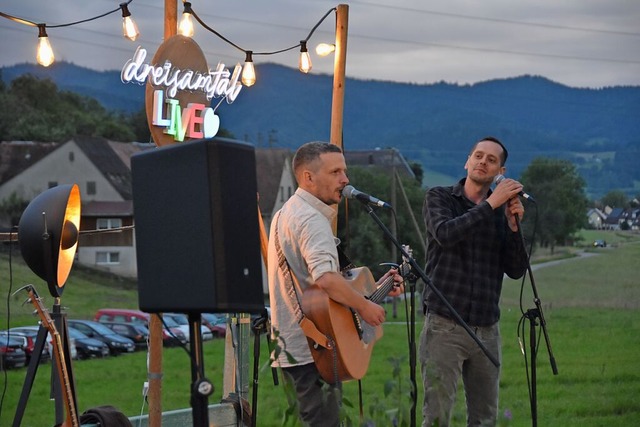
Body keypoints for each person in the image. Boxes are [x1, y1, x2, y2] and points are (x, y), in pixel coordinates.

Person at [267, 141, 404, 426]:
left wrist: (374, 289)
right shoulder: (311, 220)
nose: (346, 179)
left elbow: (317, 290)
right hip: (314, 346)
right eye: (336, 172)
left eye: (345, 171)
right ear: (308, 177)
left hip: (300, 345)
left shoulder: (286, 212)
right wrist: (365, 307)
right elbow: (326, 279)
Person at [419, 136, 529, 426]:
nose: (483, 161)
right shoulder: (439, 197)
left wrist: (514, 227)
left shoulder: (500, 212)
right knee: (437, 416)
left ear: (500, 172)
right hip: (445, 325)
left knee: (485, 418)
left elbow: (516, 269)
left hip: (486, 330)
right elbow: (445, 234)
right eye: (478, 156)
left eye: (491, 160)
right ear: (467, 161)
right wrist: (491, 204)